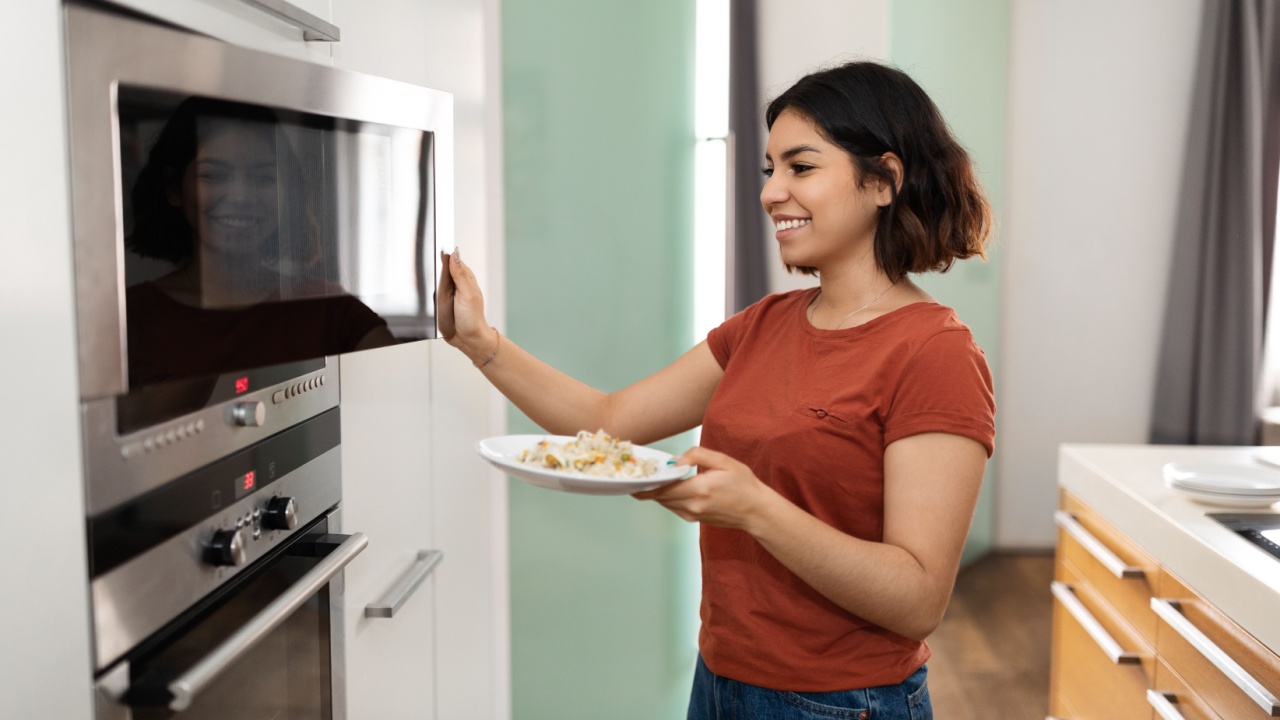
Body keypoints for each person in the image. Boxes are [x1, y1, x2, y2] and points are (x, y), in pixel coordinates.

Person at [438, 60, 995, 720]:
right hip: (720, 682)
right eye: (769, 170)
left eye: (801, 166)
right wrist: (480, 343)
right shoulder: (761, 327)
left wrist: (754, 508)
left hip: (844, 703)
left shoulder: (935, 354)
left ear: (883, 180)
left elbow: (919, 598)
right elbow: (608, 421)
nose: (770, 192)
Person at [124, 96, 396, 389]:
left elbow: (404, 389)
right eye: (213, 175)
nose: (241, 196)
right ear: (173, 189)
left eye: (263, 177)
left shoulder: (327, 307)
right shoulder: (131, 316)